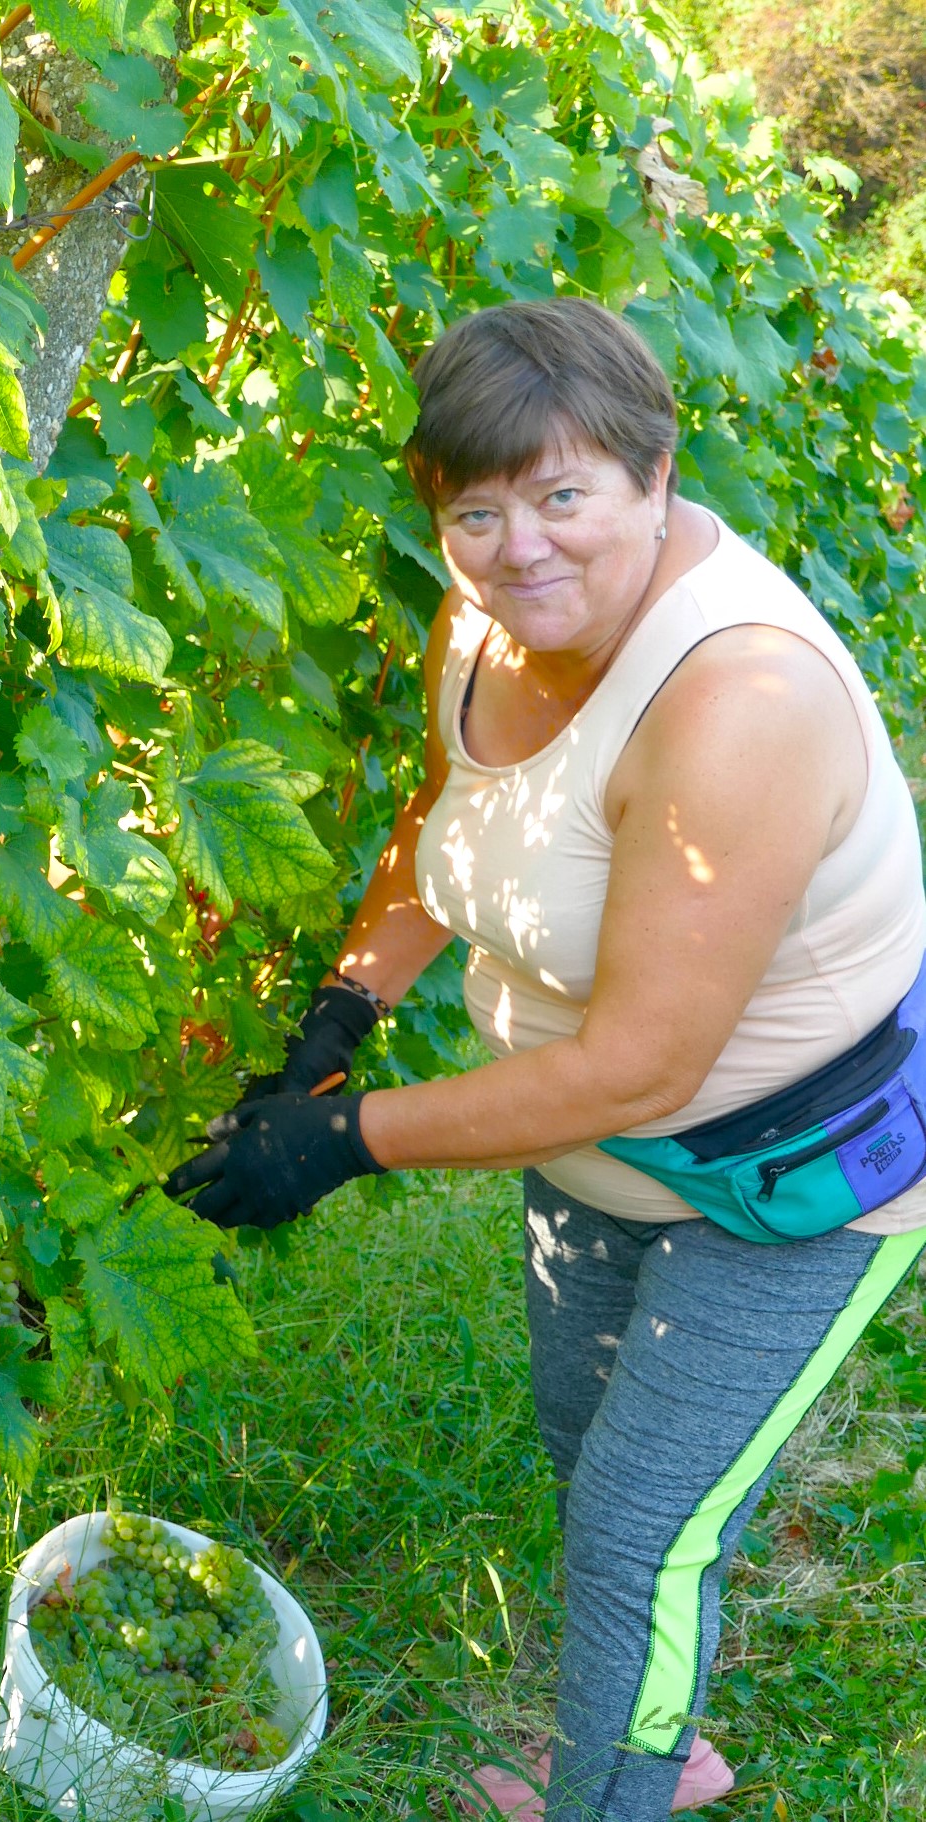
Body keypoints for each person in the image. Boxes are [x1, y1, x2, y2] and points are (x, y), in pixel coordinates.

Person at [166, 297, 926, 1821]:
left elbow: (643, 1064)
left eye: (564, 494)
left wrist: (346, 1139)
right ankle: (660, 1741)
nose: (521, 548)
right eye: (477, 510)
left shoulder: (740, 700)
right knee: (601, 1464)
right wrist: (343, 1014)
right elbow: (449, 816)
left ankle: (612, 1792)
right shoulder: (486, 623)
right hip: (590, 1146)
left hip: (788, 1181)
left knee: (641, 1527)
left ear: (657, 478)